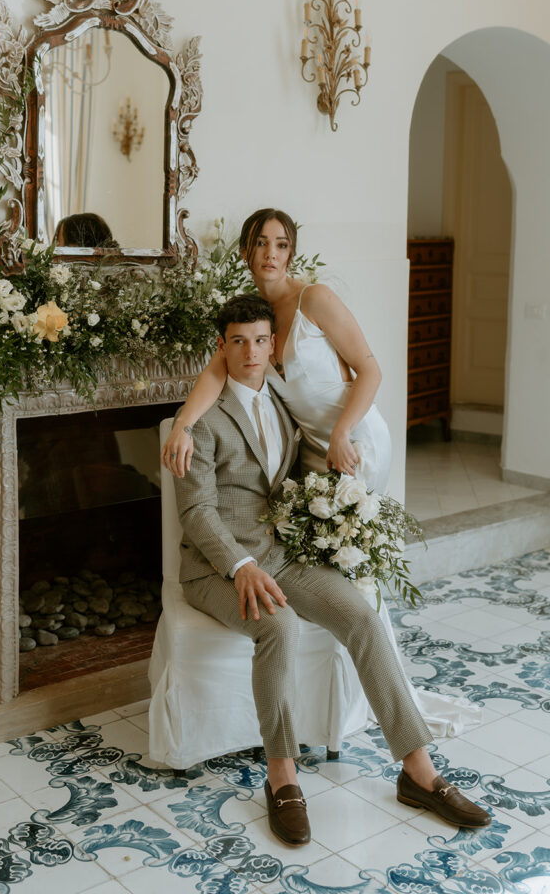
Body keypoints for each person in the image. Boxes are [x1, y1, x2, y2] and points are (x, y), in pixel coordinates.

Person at [175, 293, 491, 846]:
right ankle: (282, 773)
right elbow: (196, 511)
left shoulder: (279, 402)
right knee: (278, 626)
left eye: (259, 340)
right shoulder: (202, 418)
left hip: (282, 555)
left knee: (364, 617)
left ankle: (418, 771)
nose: (250, 351)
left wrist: (341, 506)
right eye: (237, 341)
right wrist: (241, 565)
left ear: (272, 345)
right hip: (215, 569)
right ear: (221, 349)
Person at [162, 208, 480, 739]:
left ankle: (364, 700)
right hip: (308, 448)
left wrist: (342, 434)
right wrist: (183, 425)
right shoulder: (256, 320)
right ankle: (343, 696)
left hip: (353, 441)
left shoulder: (315, 300)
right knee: (325, 556)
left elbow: (371, 369)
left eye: (281, 244)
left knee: (352, 558)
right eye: (261, 244)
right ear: (246, 251)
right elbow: (219, 366)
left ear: (292, 252)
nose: (270, 254)